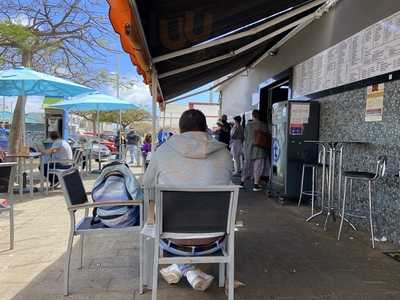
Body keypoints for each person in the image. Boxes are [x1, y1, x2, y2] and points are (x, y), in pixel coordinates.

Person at [144, 109, 232, 291]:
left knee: (150, 215)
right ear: (205, 128)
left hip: (172, 238)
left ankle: (183, 268)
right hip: (215, 236)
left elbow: (147, 187)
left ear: (180, 129)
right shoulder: (224, 153)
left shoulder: (162, 152)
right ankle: (188, 270)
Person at [241, 109, 267, 192]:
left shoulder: (248, 125)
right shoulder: (263, 125)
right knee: (258, 167)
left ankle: (242, 182)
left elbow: (245, 136)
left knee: (247, 166)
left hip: (249, 148)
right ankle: (256, 185)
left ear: (253, 115)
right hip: (260, 149)